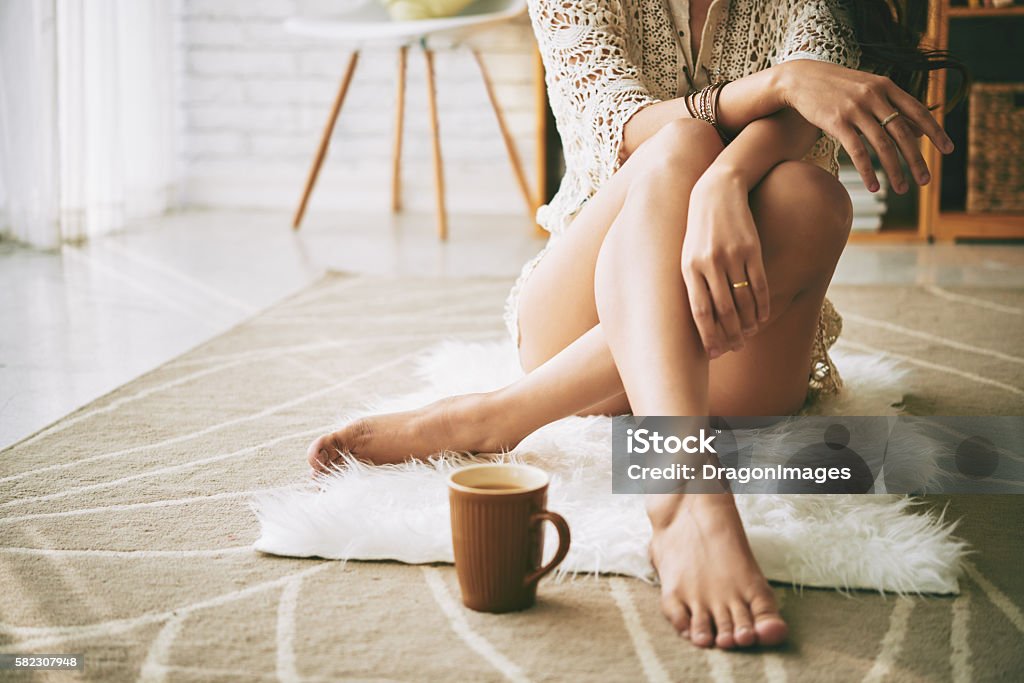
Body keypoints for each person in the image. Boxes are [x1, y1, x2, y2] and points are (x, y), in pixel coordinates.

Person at [307, 0, 965, 650]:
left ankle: (503, 414)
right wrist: (775, 84)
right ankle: (685, 496)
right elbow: (620, 124)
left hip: (734, 341)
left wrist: (727, 180)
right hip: (578, 311)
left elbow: (811, 109)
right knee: (678, 143)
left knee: (811, 198)